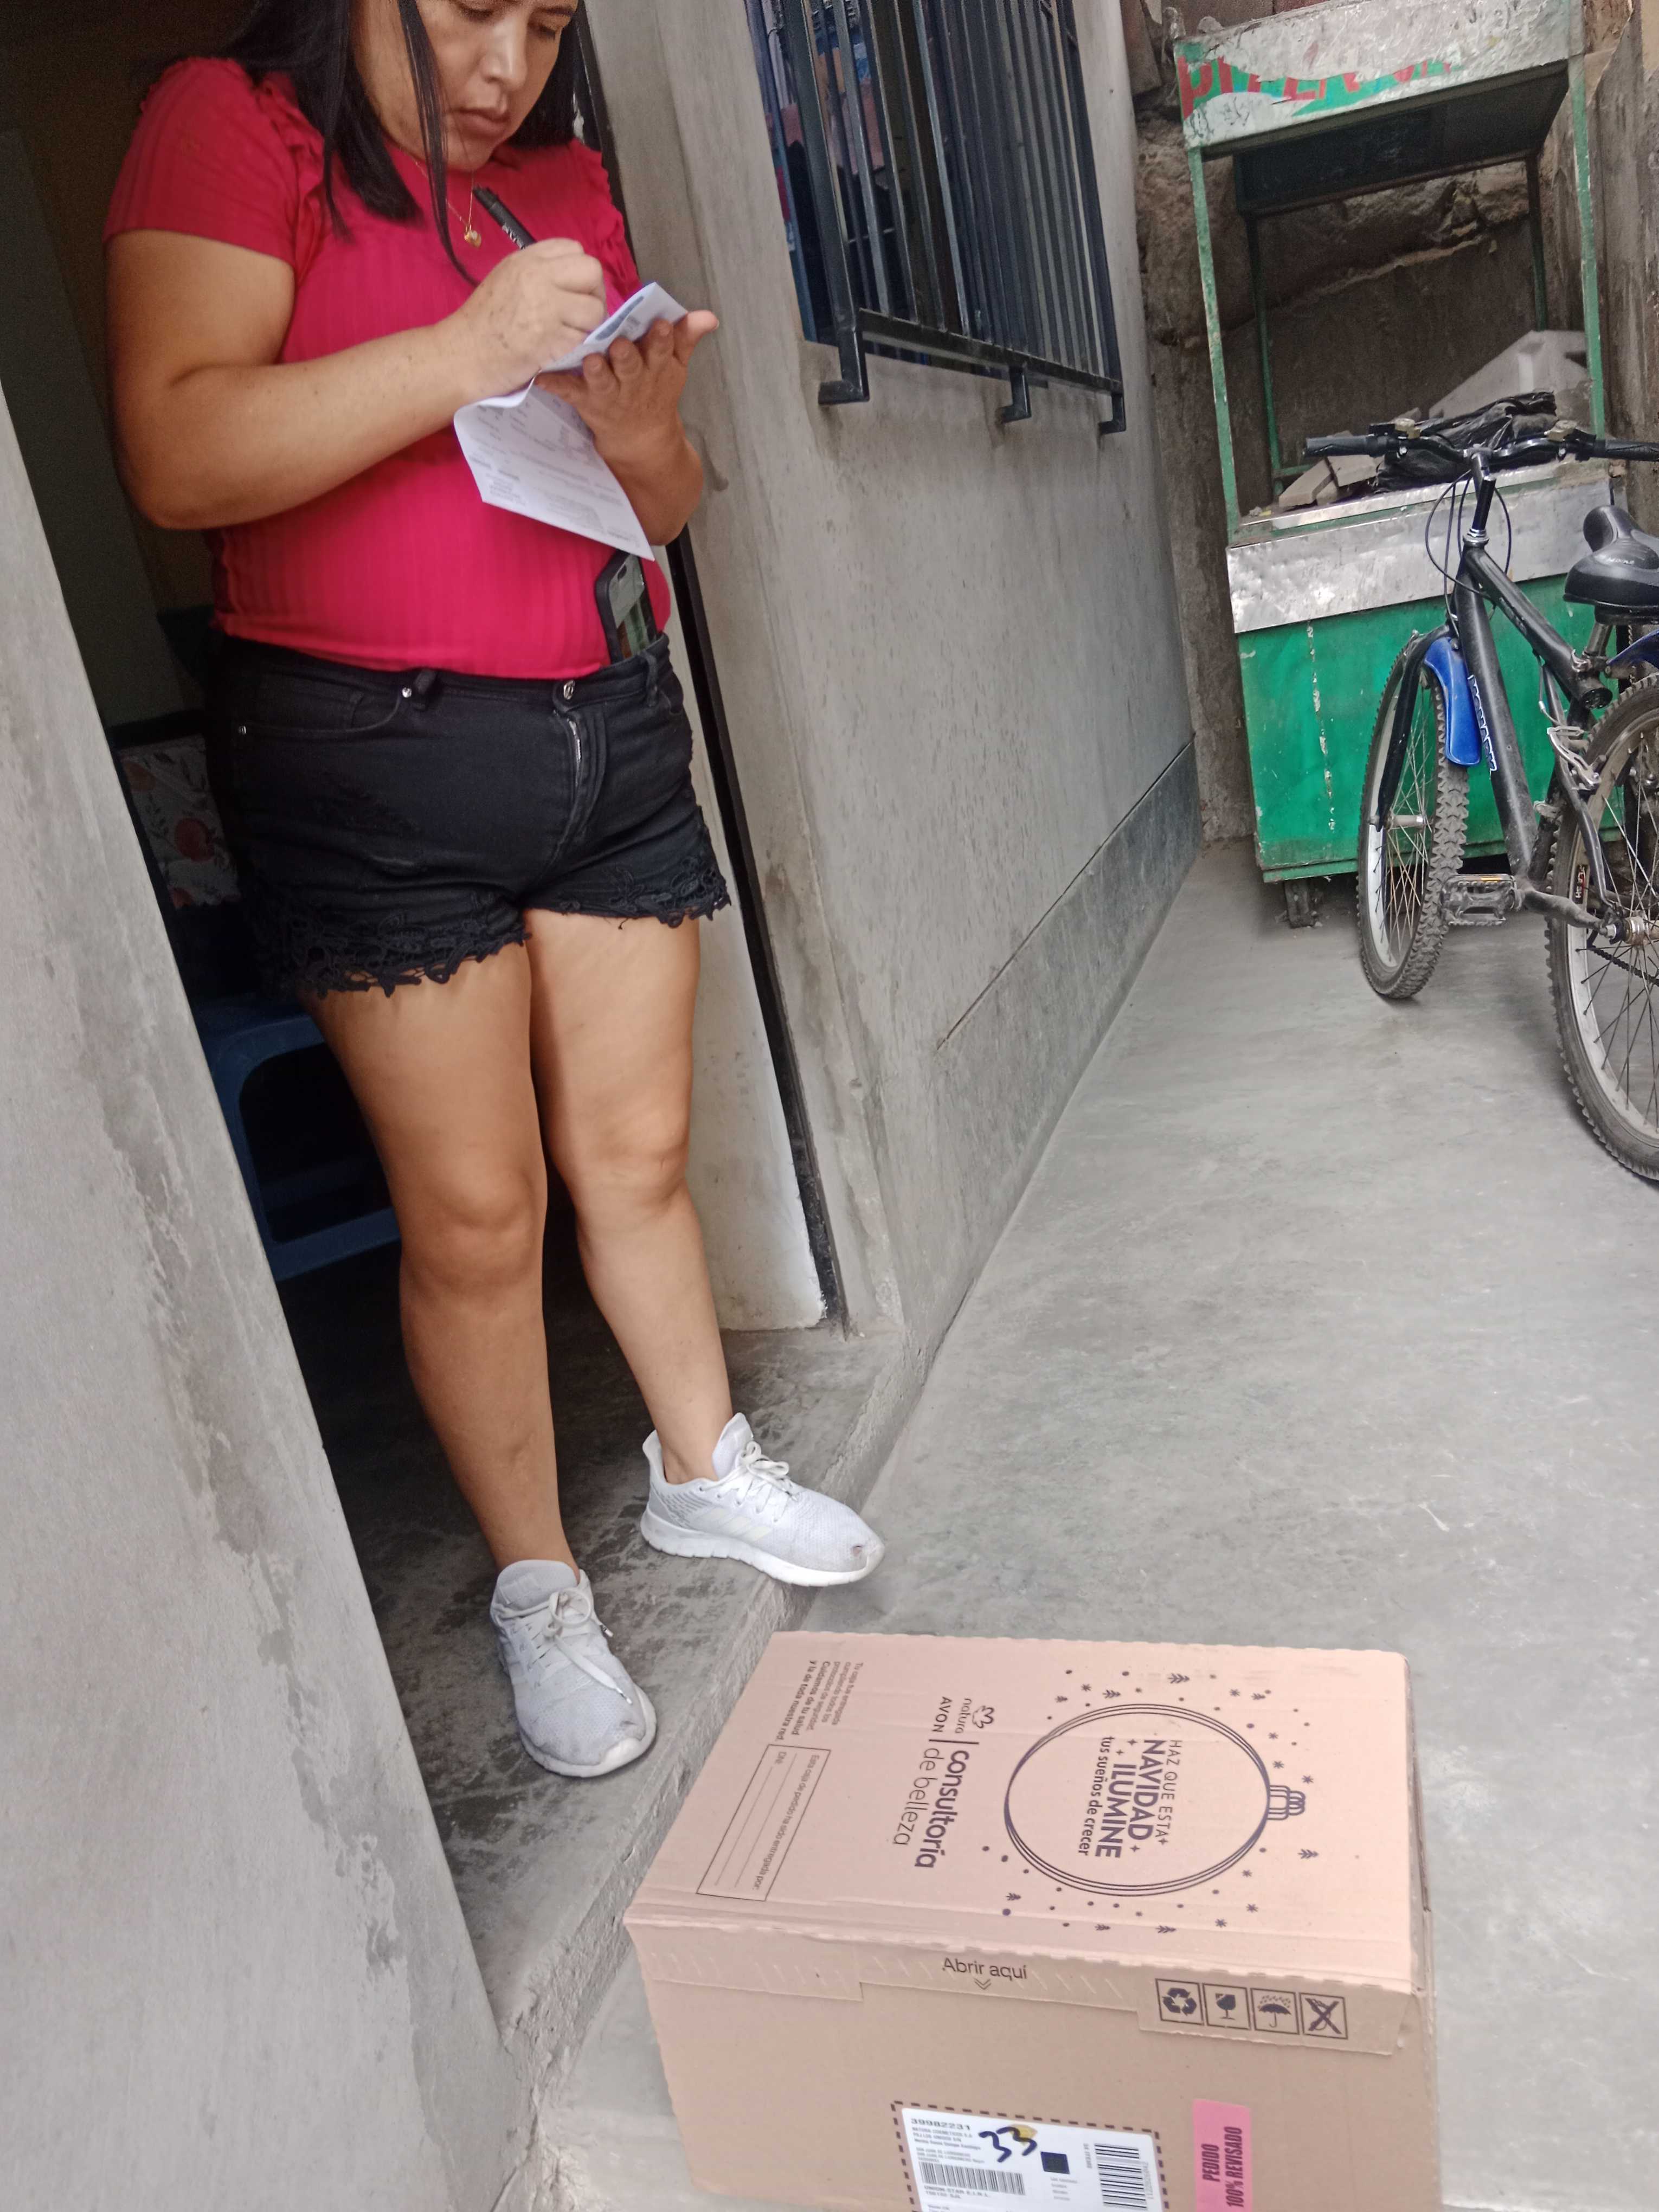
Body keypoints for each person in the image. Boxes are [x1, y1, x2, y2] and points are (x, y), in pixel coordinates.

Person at [105, 0, 883, 1782]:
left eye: (544, 21)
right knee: (473, 1215)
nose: (504, 66)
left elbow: (659, 508)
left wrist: (643, 427)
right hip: (365, 759)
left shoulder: (561, 185)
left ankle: (701, 1470)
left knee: (638, 1156)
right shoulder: (235, 125)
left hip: (602, 726)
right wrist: (468, 346)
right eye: (469, 11)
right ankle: (539, 1585)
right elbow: (177, 452)